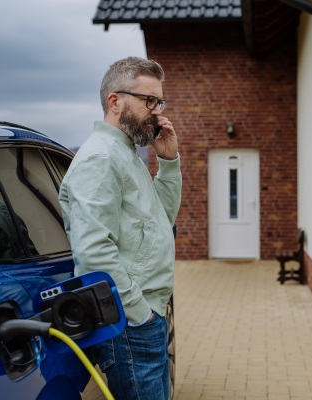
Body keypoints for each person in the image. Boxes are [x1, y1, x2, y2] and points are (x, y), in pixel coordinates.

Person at [58, 57, 181, 400]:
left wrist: (168, 162)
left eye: (159, 102)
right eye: (149, 101)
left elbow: (162, 218)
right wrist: (140, 315)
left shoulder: (127, 153)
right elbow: (93, 252)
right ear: (115, 102)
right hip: (132, 323)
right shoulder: (101, 158)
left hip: (146, 316)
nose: (157, 112)